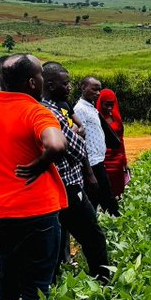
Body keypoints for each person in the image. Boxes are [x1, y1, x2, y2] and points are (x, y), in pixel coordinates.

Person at [0, 54, 67, 300]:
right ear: (31, 82)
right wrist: (39, 164)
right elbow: (57, 144)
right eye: (39, 76)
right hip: (37, 212)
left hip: (2, 212)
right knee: (37, 288)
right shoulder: (35, 111)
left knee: (8, 280)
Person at [40, 61, 111, 283]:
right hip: (68, 185)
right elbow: (78, 147)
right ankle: (103, 282)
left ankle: (50, 291)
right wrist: (77, 134)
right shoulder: (51, 112)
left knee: (54, 241)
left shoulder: (45, 108)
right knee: (93, 236)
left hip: (51, 186)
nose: (69, 87)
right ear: (50, 85)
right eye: (65, 83)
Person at [73, 76, 118, 216]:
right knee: (104, 197)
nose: (98, 93)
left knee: (99, 197)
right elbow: (81, 139)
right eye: (94, 89)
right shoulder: (80, 109)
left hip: (98, 159)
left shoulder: (91, 108)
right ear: (83, 88)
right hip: (91, 162)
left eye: (99, 89)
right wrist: (89, 172)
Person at [97, 88, 130, 200]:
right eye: (107, 105)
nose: (110, 108)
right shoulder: (96, 119)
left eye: (112, 105)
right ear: (101, 103)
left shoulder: (116, 118)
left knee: (118, 188)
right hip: (103, 158)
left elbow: (121, 140)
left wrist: (124, 159)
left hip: (117, 159)